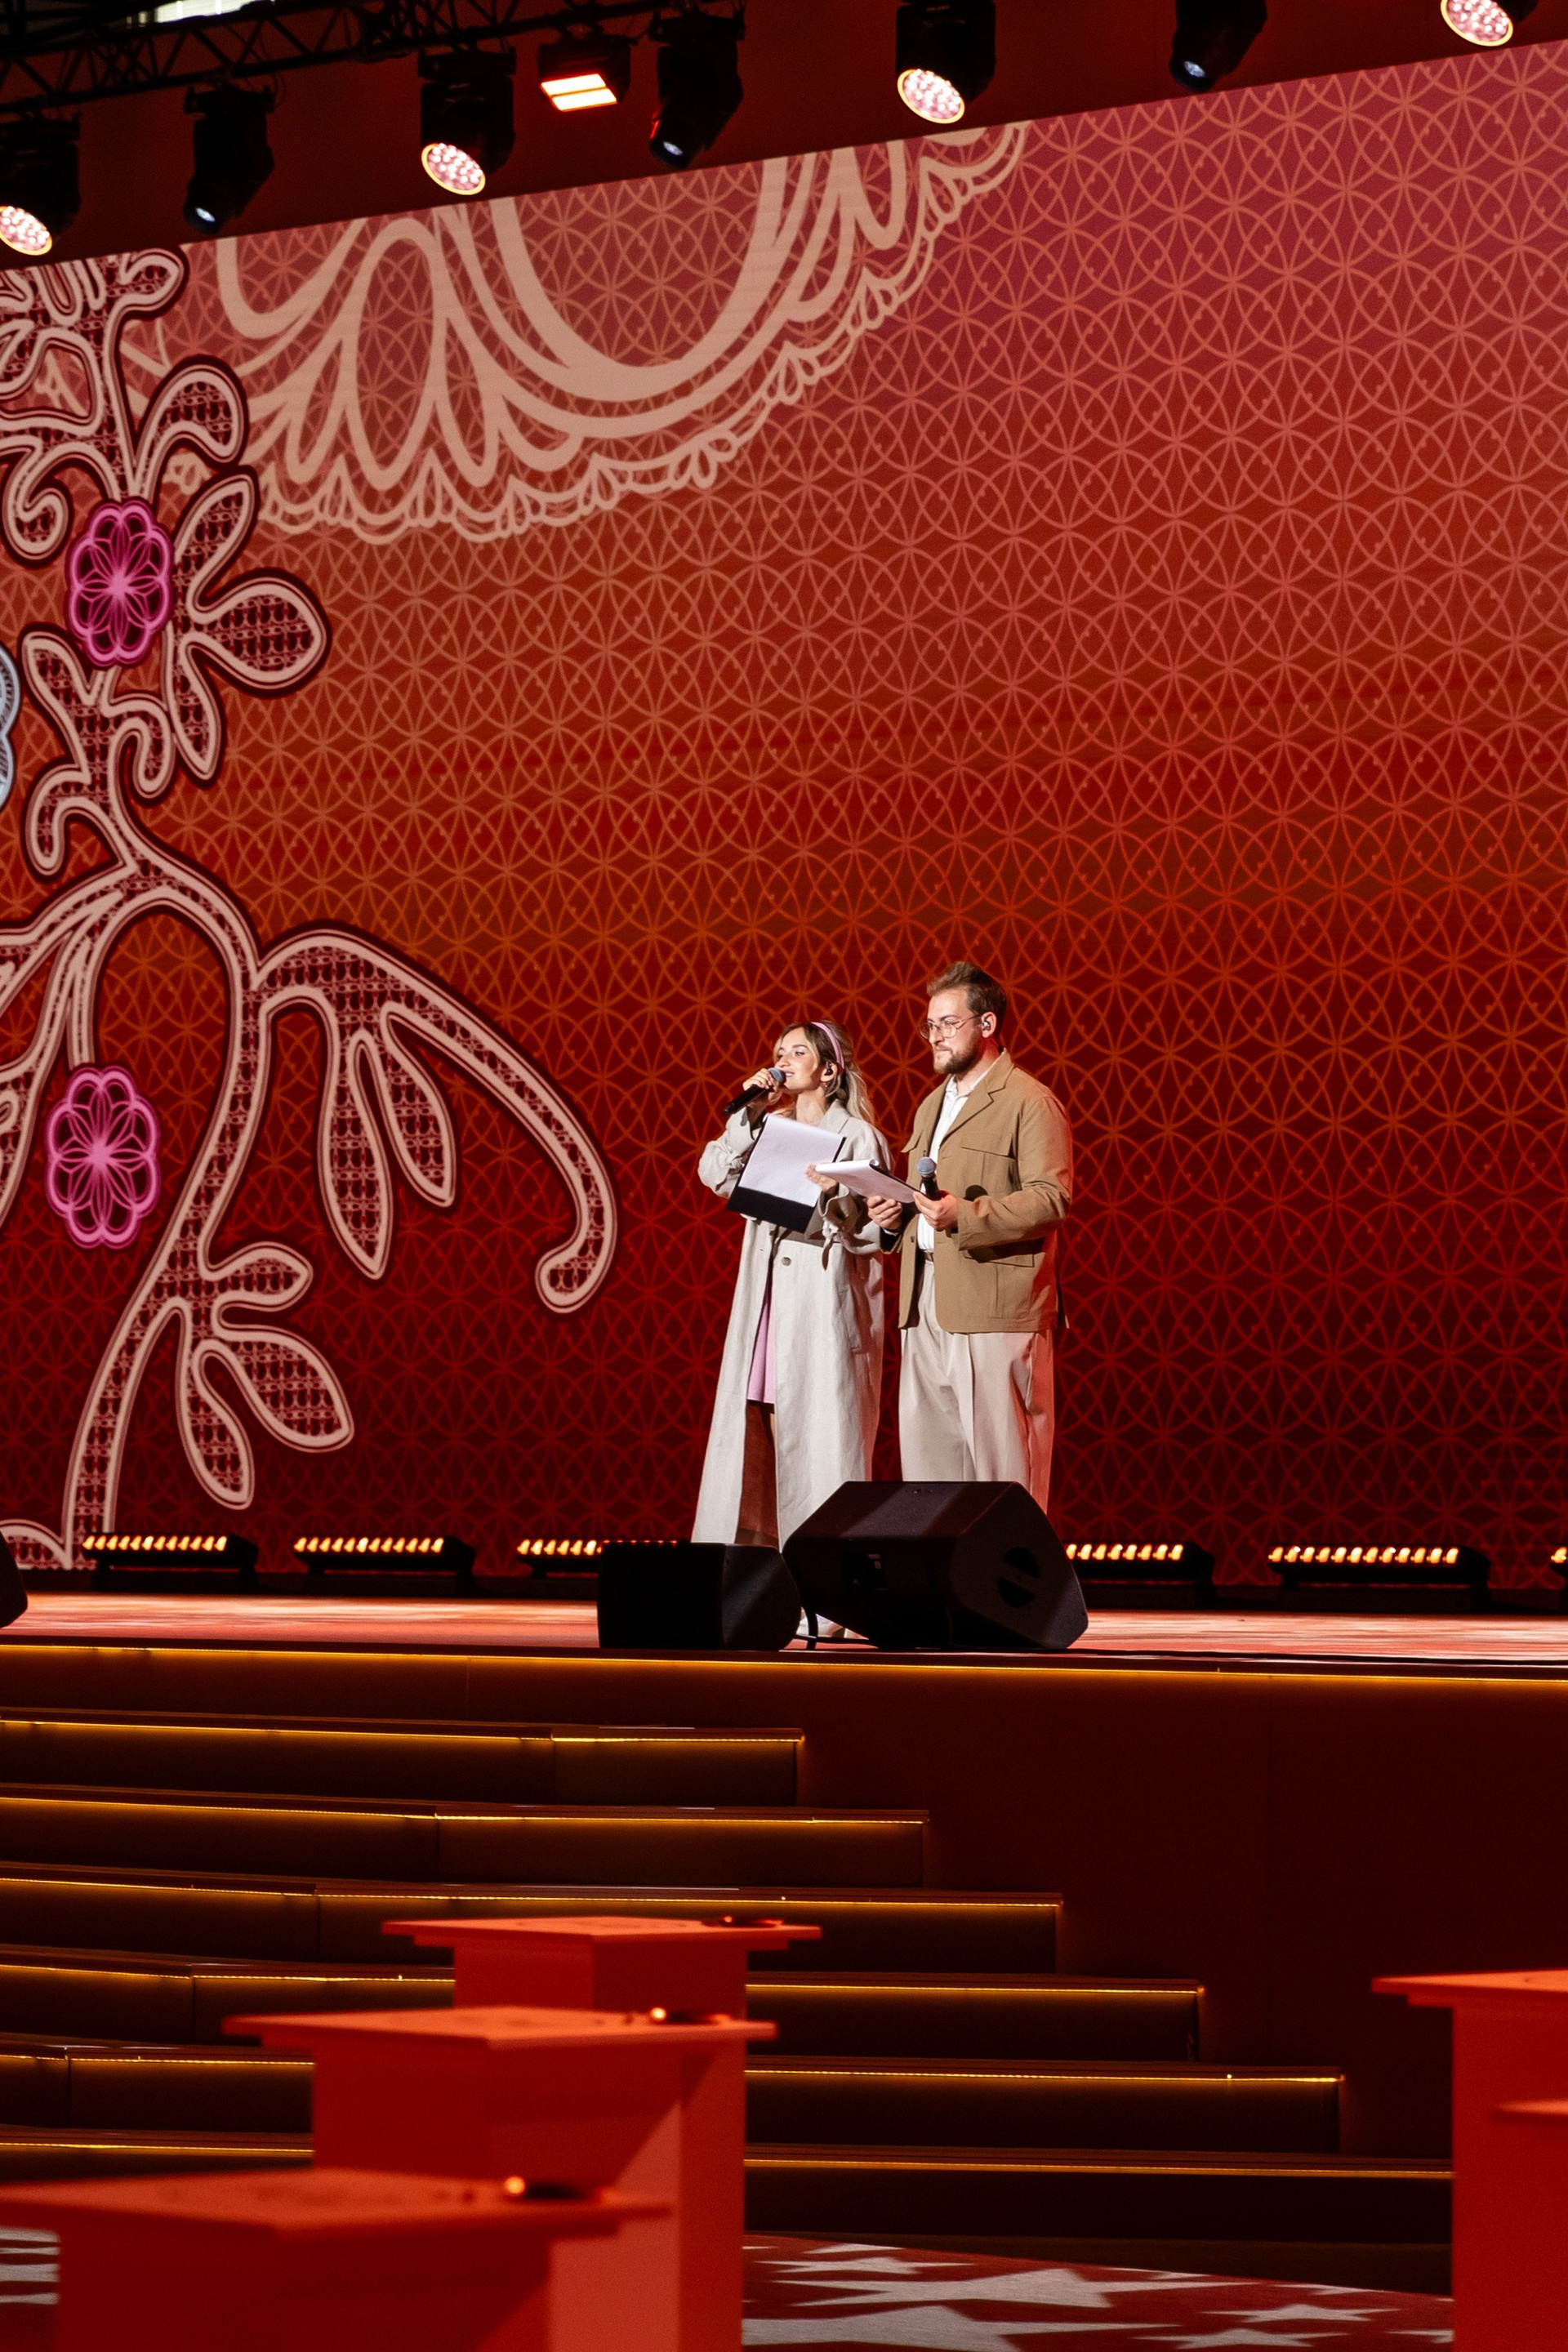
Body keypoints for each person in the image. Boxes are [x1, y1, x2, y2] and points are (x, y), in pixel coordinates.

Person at [864, 961, 1071, 1512]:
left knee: (1004, 1475)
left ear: (987, 1024)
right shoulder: (932, 1103)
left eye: (947, 1024)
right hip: (925, 1302)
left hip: (994, 1305)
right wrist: (895, 1218)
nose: (934, 1036)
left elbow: (1051, 1199)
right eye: (930, 1025)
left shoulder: (1028, 1100)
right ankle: (942, 1571)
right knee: (931, 1474)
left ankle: (1015, 1570)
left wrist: (966, 1214)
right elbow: (926, 1199)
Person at [693, 1021, 889, 1552]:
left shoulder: (858, 1135)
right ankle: (763, 1558)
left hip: (820, 1303)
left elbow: (876, 1232)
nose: (782, 1060)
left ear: (828, 1070)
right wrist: (750, 1114)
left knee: (816, 1434)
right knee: (761, 1425)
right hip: (768, 1303)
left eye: (797, 1052)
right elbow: (714, 1173)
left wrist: (834, 1196)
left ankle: (820, 1566)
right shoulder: (770, 1127)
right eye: (779, 1052)